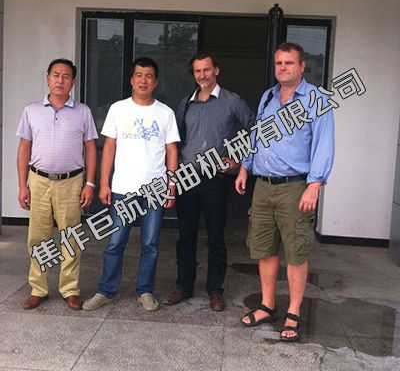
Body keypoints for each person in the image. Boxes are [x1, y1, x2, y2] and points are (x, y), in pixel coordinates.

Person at [235, 42, 334, 342]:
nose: (283, 68)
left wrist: (315, 184)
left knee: (295, 251)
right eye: (279, 63)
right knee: (264, 249)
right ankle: (267, 305)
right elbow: (256, 135)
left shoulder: (316, 99)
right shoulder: (268, 97)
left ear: (302, 66)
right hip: (263, 186)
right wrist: (245, 166)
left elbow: (324, 143)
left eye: (289, 63)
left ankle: (293, 312)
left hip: (295, 187)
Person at [83, 57, 179, 312]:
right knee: (115, 241)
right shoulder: (118, 109)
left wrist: (171, 185)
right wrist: (104, 183)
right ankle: (106, 290)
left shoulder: (165, 113)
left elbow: (172, 151)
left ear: (155, 82)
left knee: (151, 243)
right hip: (123, 188)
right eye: (139, 75)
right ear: (131, 80)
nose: (143, 80)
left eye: (148, 76)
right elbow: (109, 148)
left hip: (155, 189)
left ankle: (145, 290)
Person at [165, 53, 255, 311]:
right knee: (186, 236)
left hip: (215, 178)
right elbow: (175, 141)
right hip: (187, 177)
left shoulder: (231, 101)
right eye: (197, 71)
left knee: (216, 236)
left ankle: (215, 290)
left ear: (216, 70)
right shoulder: (185, 104)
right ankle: (184, 285)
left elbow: (255, 128)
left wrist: (238, 160)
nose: (202, 75)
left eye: (206, 69)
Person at [16, 58, 98, 310]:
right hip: (38, 181)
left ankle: (70, 289)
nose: (60, 80)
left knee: (71, 237)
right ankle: (38, 289)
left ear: (73, 82)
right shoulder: (31, 110)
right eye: (55, 75)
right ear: (48, 78)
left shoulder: (83, 112)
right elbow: (24, 148)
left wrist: (90, 183)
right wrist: (22, 186)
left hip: (71, 182)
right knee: (38, 237)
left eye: (66, 76)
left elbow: (91, 148)